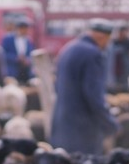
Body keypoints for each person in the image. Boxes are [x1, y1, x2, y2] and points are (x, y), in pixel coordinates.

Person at [50, 18, 121, 155]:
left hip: (62, 125)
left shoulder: (68, 49)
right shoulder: (93, 55)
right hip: (83, 130)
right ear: (102, 37)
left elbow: (57, 85)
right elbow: (93, 95)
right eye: (108, 40)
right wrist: (111, 124)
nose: (107, 44)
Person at [106, 25, 129, 93]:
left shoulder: (127, 43)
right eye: (121, 32)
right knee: (113, 90)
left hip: (124, 73)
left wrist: (127, 39)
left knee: (124, 90)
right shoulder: (113, 43)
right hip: (113, 72)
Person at [1, 18, 34, 85]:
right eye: (23, 28)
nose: (25, 31)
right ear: (18, 28)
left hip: (25, 73)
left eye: (26, 28)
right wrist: (16, 58)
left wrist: (27, 60)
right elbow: (2, 54)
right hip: (12, 72)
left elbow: (31, 54)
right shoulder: (8, 39)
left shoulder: (28, 40)